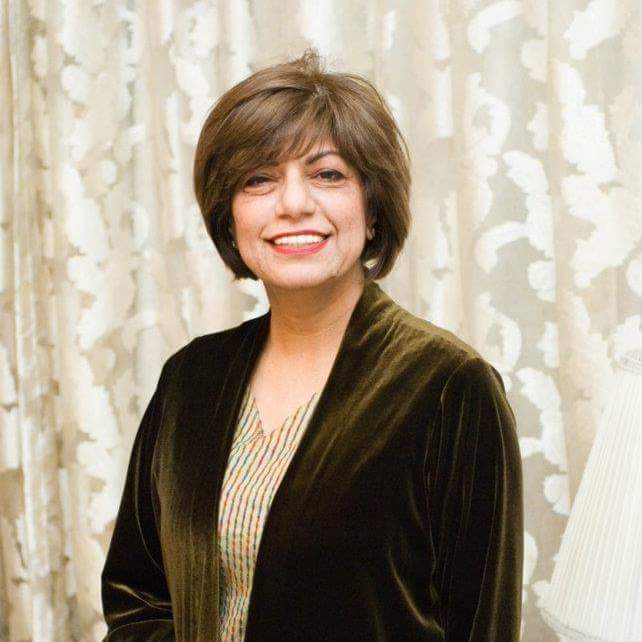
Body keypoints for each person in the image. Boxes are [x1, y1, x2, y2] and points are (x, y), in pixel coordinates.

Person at [101, 49, 524, 642]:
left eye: (327, 175)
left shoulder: (448, 387)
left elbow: (482, 626)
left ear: (372, 210)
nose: (294, 204)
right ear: (230, 219)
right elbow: (138, 598)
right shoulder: (190, 379)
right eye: (259, 179)